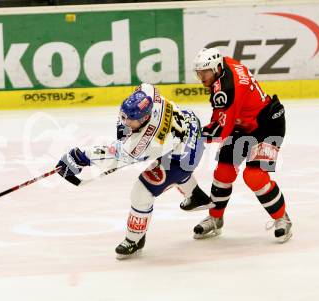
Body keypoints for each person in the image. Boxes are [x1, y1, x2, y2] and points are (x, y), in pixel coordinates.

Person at [55, 83, 213, 259]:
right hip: (189, 125)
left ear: (145, 118)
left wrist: (80, 156)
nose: (126, 122)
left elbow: (115, 155)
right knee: (167, 166)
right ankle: (197, 197)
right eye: (125, 117)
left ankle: (134, 240)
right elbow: (143, 88)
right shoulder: (148, 92)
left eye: (131, 120)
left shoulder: (144, 142)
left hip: (184, 157)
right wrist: (125, 125)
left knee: (142, 191)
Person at [191, 48, 292, 243]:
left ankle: (282, 219)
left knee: (254, 175)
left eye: (205, 72)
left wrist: (192, 136)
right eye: (199, 72)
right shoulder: (225, 64)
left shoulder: (227, 89)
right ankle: (215, 218)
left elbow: (220, 131)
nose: (201, 76)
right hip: (243, 124)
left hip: (268, 124)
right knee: (223, 171)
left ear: (217, 68)